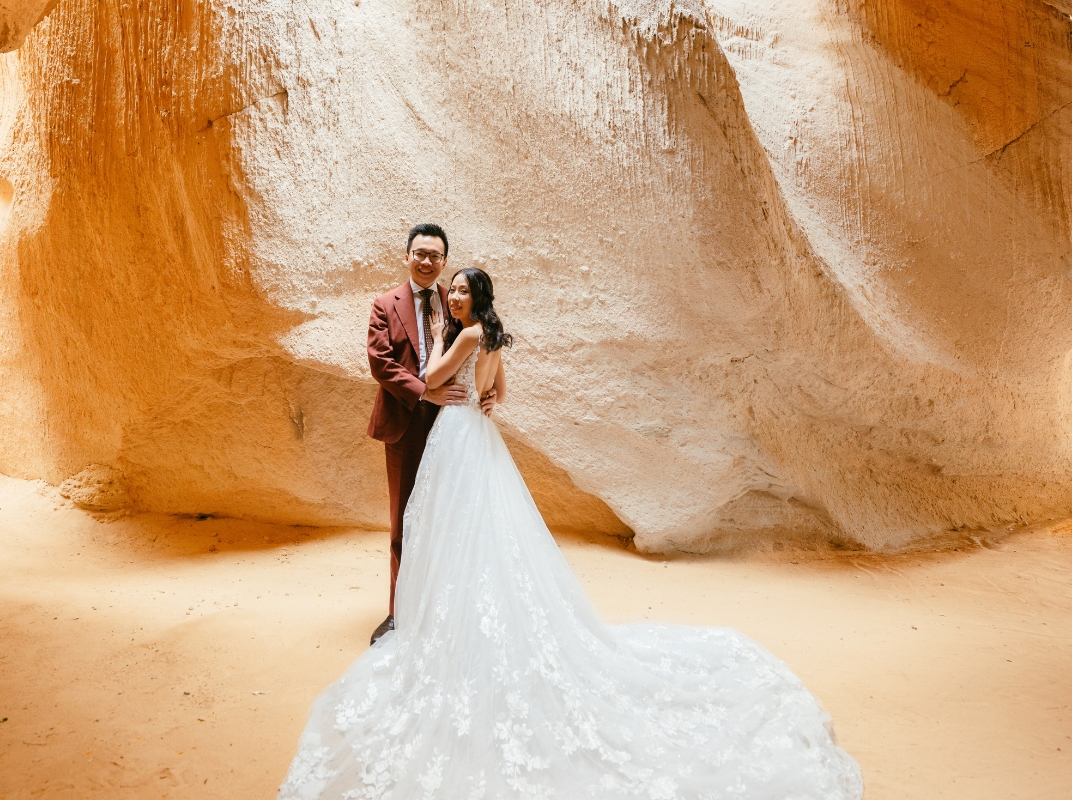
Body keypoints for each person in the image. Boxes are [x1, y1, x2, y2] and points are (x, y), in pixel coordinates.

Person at [281, 267, 863, 799]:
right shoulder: (490, 335)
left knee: (456, 530)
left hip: (456, 439)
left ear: (475, 297)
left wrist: (442, 385)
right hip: (476, 436)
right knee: (478, 533)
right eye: (452, 289)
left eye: (461, 289)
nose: (453, 295)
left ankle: (453, 623)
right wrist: (479, 400)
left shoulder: (462, 335)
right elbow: (501, 394)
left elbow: (431, 376)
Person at [364, 223, 496, 646]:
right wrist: (426, 393)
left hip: (452, 429)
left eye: (435, 256)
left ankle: (444, 605)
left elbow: (483, 352)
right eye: (419, 253)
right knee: (406, 520)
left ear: (443, 261)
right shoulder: (385, 304)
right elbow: (381, 364)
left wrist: (489, 396)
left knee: (449, 518)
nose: (426, 262)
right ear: (407, 256)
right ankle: (399, 613)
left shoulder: (456, 299)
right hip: (406, 422)